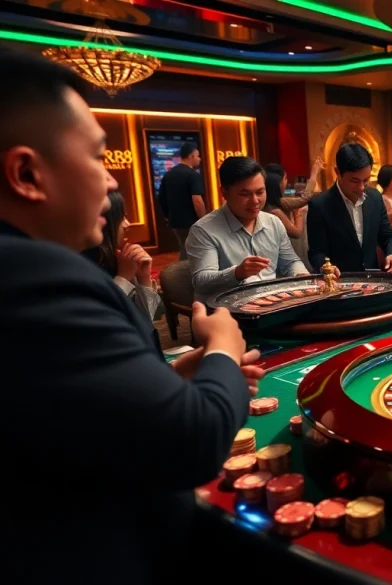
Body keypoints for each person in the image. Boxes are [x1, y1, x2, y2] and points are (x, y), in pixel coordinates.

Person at [0, 48, 261, 584]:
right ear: (26, 173)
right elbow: (192, 442)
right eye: (97, 156)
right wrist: (221, 349)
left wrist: (164, 378)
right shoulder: (36, 277)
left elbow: (54, 416)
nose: (114, 181)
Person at [186, 156, 309, 305]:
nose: (255, 200)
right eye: (245, 194)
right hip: (227, 313)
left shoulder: (273, 222)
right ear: (224, 193)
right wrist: (237, 273)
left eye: (260, 192)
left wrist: (302, 276)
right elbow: (201, 281)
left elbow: (290, 263)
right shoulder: (204, 230)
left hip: (272, 305)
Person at [307, 144, 392, 274]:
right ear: (338, 172)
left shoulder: (375, 198)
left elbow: (388, 236)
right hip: (340, 283)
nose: (361, 187)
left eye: (366, 180)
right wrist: (326, 267)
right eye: (355, 181)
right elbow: (317, 252)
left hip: (371, 281)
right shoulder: (320, 205)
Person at [83, 191, 165, 327]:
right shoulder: (84, 264)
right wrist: (123, 278)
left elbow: (148, 318)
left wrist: (143, 278)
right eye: (120, 218)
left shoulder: (118, 257)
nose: (127, 225)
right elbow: (98, 319)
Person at [156, 141, 205, 259]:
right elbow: (197, 200)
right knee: (193, 251)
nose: (200, 159)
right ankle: (185, 275)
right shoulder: (193, 175)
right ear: (191, 156)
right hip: (191, 222)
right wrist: (204, 219)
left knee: (185, 248)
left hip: (175, 222)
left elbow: (161, 198)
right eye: (198, 156)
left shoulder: (168, 175)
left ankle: (182, 274)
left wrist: (168, 216)